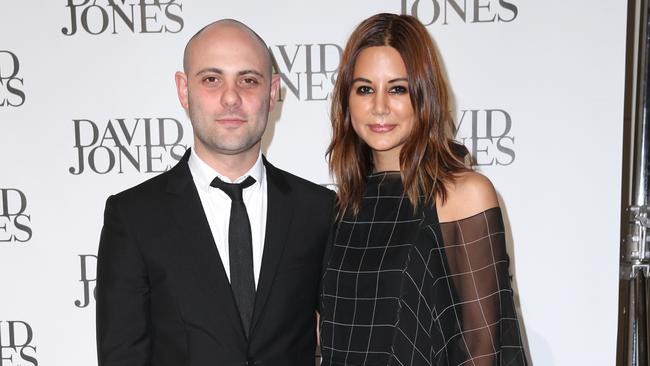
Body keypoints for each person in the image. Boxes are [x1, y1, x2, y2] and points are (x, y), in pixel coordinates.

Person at [96, 19, 334, 366]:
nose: (231, 97)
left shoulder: (319, 210)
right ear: (183, 90)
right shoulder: (133, 217)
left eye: (249, 80)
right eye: (211, 79)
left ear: (272, 92)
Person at [320, 13, 527, 366]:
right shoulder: (341, 207)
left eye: (398, 88)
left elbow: (483, 347)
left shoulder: (462, 195)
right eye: (365, 88)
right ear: (347, 99)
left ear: (424, 95)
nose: (380, 106)